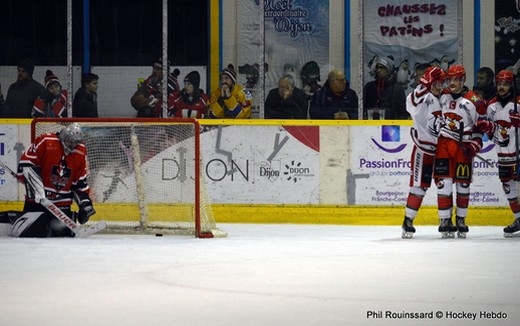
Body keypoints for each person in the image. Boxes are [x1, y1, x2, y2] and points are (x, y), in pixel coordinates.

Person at [12, 123, 95, 237]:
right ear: (63, 136)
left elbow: (80, 182)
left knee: (62, 230)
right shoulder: (45, 141)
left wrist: (85, 203)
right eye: (70, 141)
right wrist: (35, 188)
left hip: (62, 207)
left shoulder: (80, 151)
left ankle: (58, 223)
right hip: (37, 203)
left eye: (75, 142)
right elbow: (26, 164)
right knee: (36, 230)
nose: (72, 145)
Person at [433, 64, 487, 238]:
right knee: (444, 183)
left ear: (463, 80)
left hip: (463, 147)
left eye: (456, 79)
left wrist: (475, 144)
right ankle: (444, 219)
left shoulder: (475, 101)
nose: (452, 82)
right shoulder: (442, 97)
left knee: (462, 184)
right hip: (444, 144)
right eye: (449, 79)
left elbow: (481, 127)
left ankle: (461, 219)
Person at [401, 66, 446, 238]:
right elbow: (409, 102)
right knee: (419, 186)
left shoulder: (445, 98)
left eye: (441, 83)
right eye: (436, 83)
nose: (439, 86)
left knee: (444, 185)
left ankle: (445, 220)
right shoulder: (422, 97)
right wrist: (424, 85)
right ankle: (408, 220)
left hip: (443, 150)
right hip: (423, 149)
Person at [476, 70, 520, 237]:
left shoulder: (519, 102)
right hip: (503, 156)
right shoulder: (491, 105)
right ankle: (518, 219)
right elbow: (490, 133)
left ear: (512, 85)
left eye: (506, 84)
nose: (502, 87)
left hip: (519, 155)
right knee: (508, 188)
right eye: (500, 84)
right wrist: (487, 128)